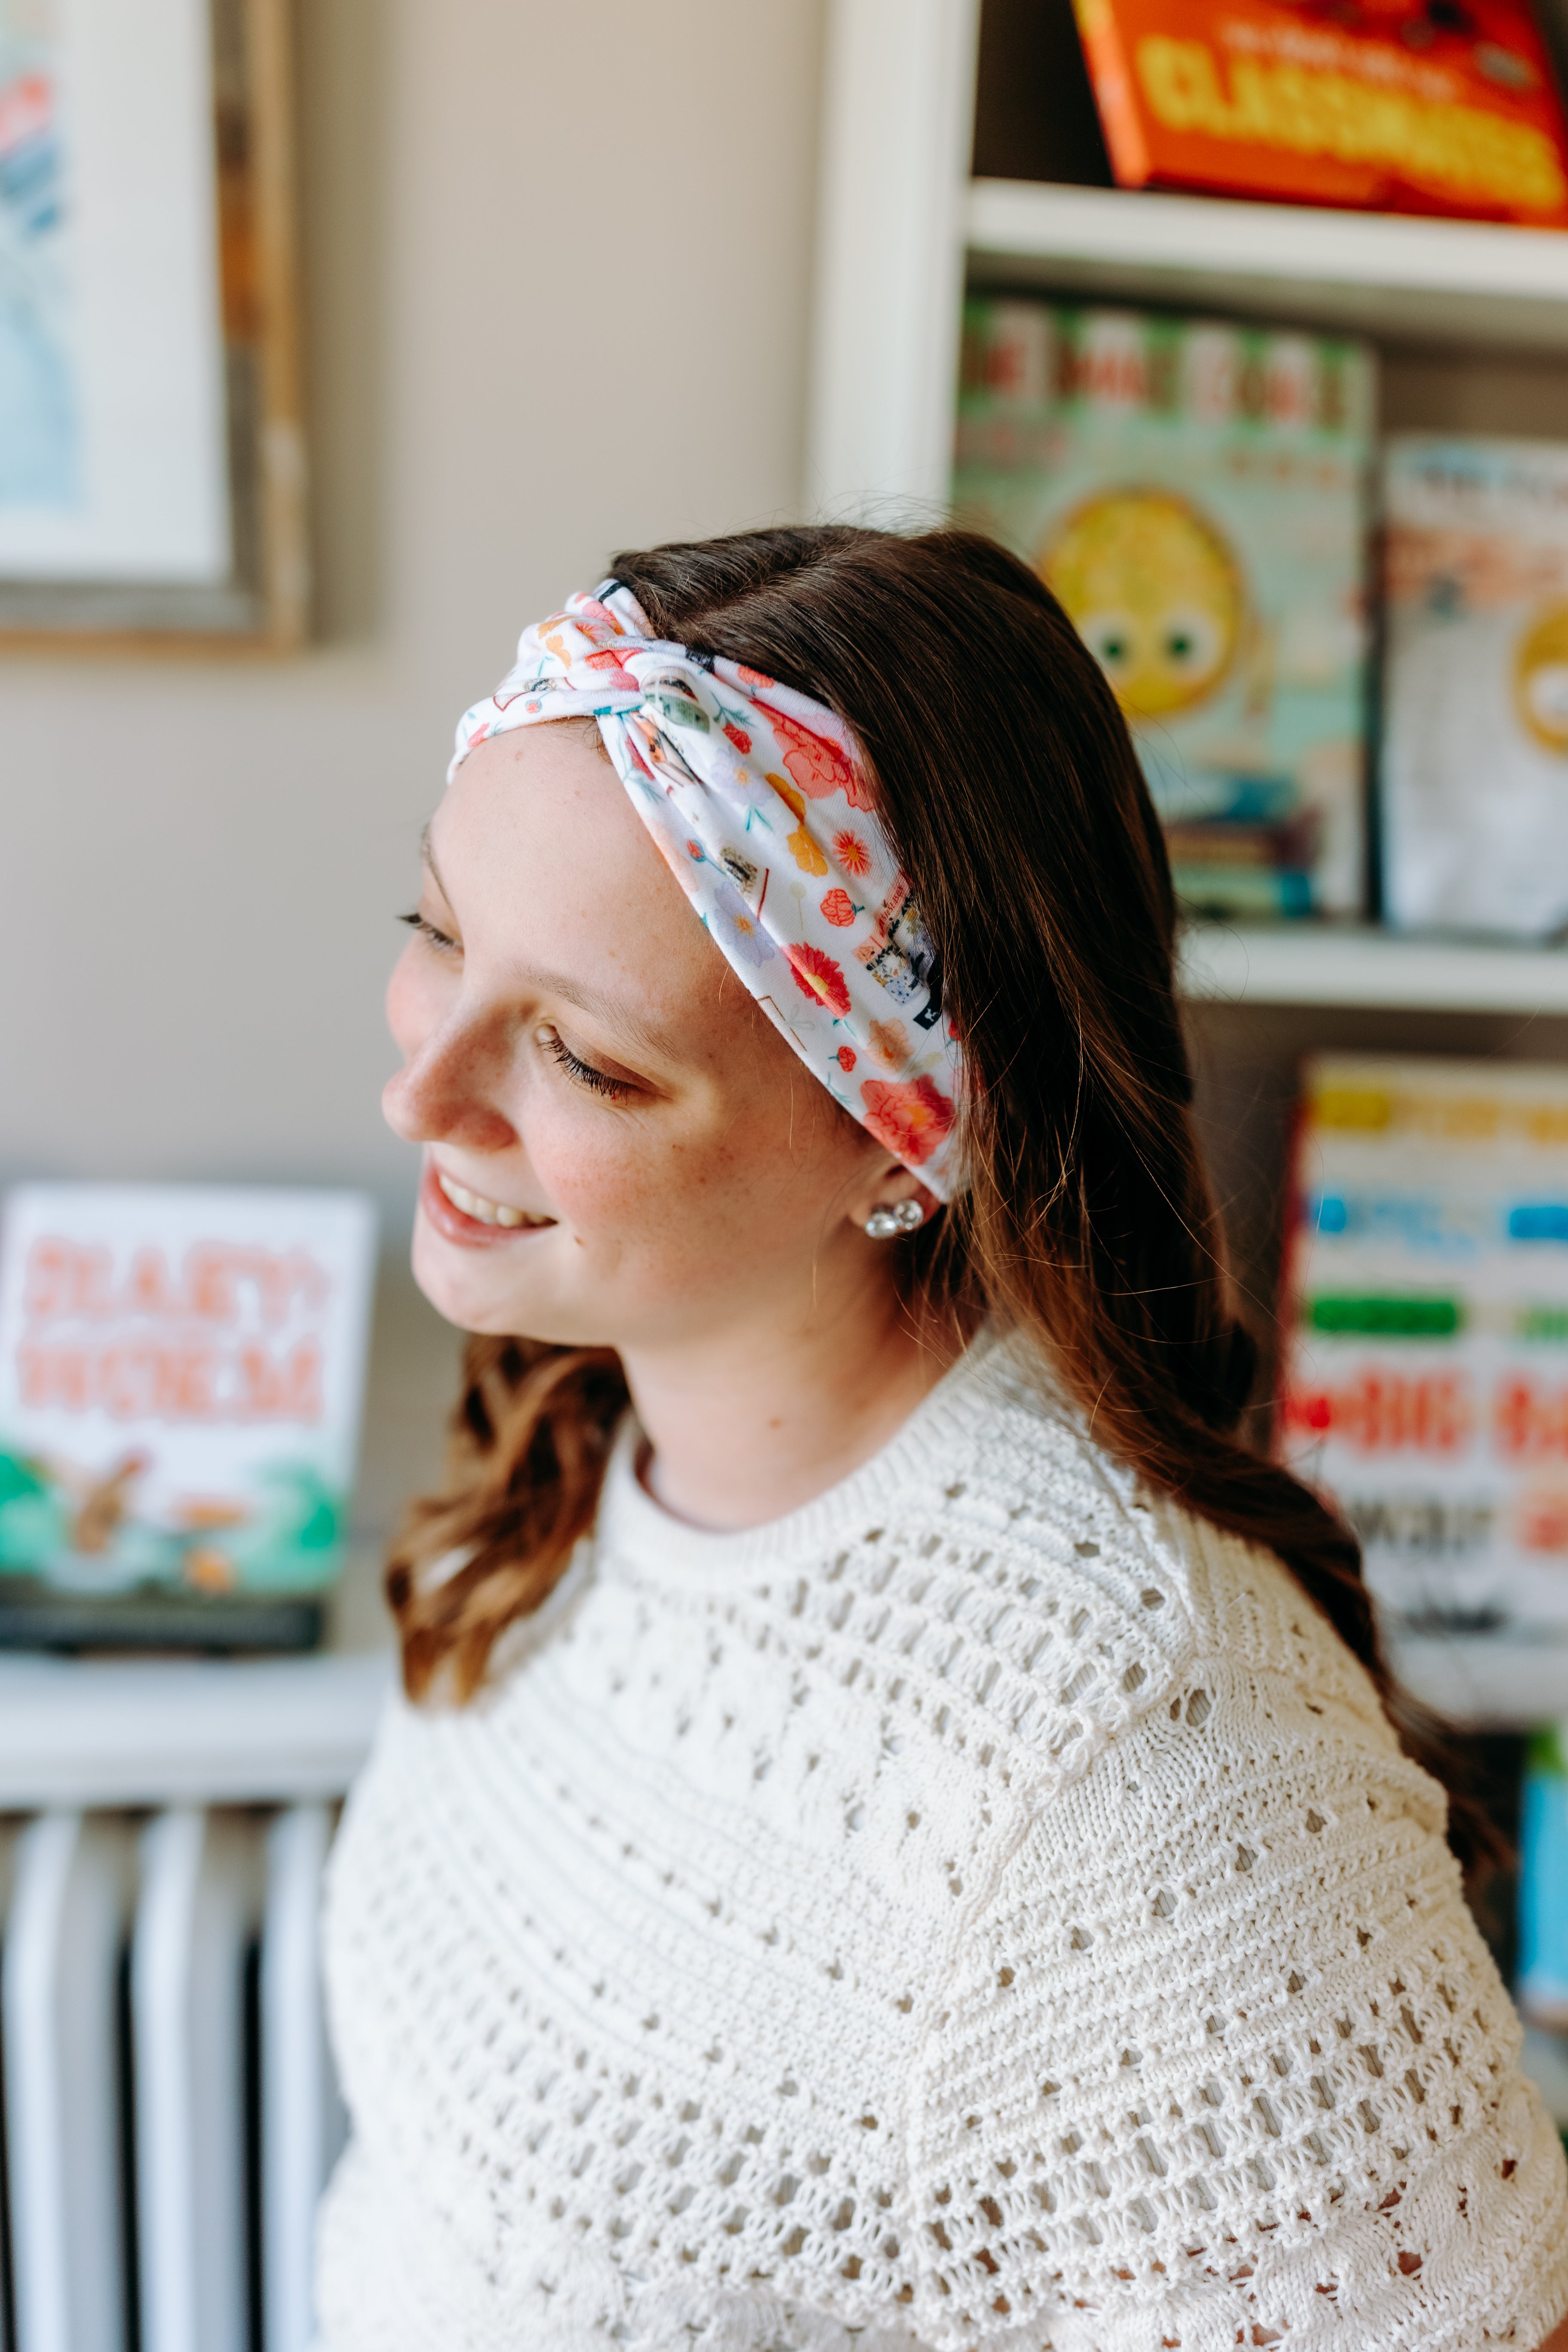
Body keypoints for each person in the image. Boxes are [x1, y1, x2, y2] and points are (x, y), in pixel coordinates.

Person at [318, 527, 1568, 2352]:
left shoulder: (1144, 1788)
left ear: (901, 1134)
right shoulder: (567, 1439)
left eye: (586, 1060)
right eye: (435, 929)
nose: (417, 1087)